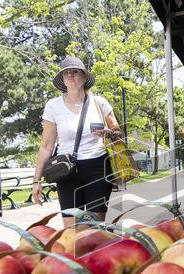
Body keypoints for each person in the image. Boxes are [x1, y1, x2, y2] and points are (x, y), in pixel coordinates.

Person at [32, 56, 121, 225]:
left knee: (95, 228)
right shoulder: (53, 105)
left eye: (75, 72)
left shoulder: (99, 102)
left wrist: (109, 133)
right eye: (66, 73)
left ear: (84, 77)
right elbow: (46, 146)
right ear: (63, 79)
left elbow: (118, 132)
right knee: (71, 229)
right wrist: (36, 181)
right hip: (67, 170)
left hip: (98, 166)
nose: (70, 75)